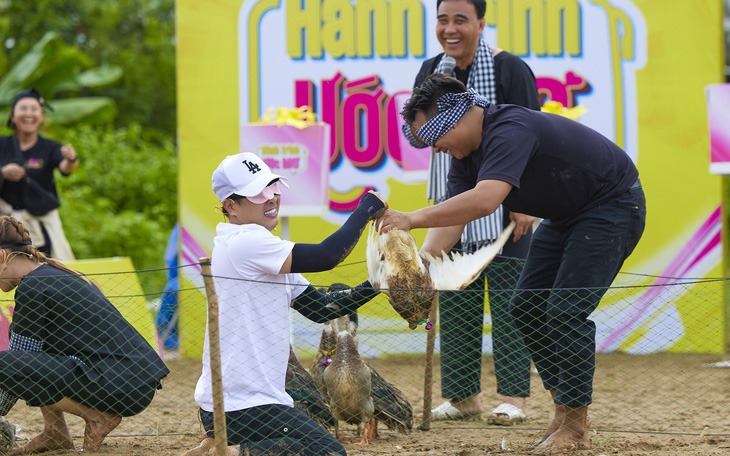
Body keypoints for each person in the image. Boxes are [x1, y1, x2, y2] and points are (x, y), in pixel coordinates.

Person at [380, 74, 646, 454]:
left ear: (456, 117)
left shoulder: (509, 128)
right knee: (527, 307)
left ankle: (575, 426)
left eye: (436, 138)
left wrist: (411, 218)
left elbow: (486, 200)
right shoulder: (465, 156)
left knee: (566, 312)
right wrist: (419, 270)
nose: (436, 149)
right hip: (565, 215)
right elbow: (453, 220)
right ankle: (564, 415)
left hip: (612, 206)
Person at [181, 152, 386, 456]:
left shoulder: (265, 249)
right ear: (231, 206)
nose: (272, 198)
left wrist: (380, 282)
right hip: (242, 405)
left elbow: (320, 309)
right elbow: (327, 256)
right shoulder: (245, 242)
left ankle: (221, 444)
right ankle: (229, 451)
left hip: (246, 402)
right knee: (329, 452)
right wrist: (366, 208)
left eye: (272, 188)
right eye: (258, 194)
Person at [404, 0, 540, 425]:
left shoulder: (510, 69)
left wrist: (524, 204)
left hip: (505, 202)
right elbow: (422, 130)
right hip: (454, 197)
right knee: (454, 296)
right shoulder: (430, 68)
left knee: (511, 301)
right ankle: (462, 397)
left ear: (480, 23)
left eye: (460, 20)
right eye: (443, 20)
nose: (450, 28)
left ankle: (514, 398)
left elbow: (529, 129)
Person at [0, 215, 170, 454]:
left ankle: (97, 417)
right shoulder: (50, 274)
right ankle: (55, 432)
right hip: (133, 382)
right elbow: (30, 357)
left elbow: (16, 363)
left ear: (1, 257)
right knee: (35, 351)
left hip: (120, 385)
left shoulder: (33, 286)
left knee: (6, 362)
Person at [0, 88, 78, 261]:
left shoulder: (50, 147)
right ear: (13, 116)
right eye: (23, 108)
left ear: (42, 116)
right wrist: (3, 173)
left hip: (41, 224)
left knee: (49, 268)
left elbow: (65, 168)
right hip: (5, 227)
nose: (29, 113)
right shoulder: (2, 144)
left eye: (34, 109)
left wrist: (71, 159)